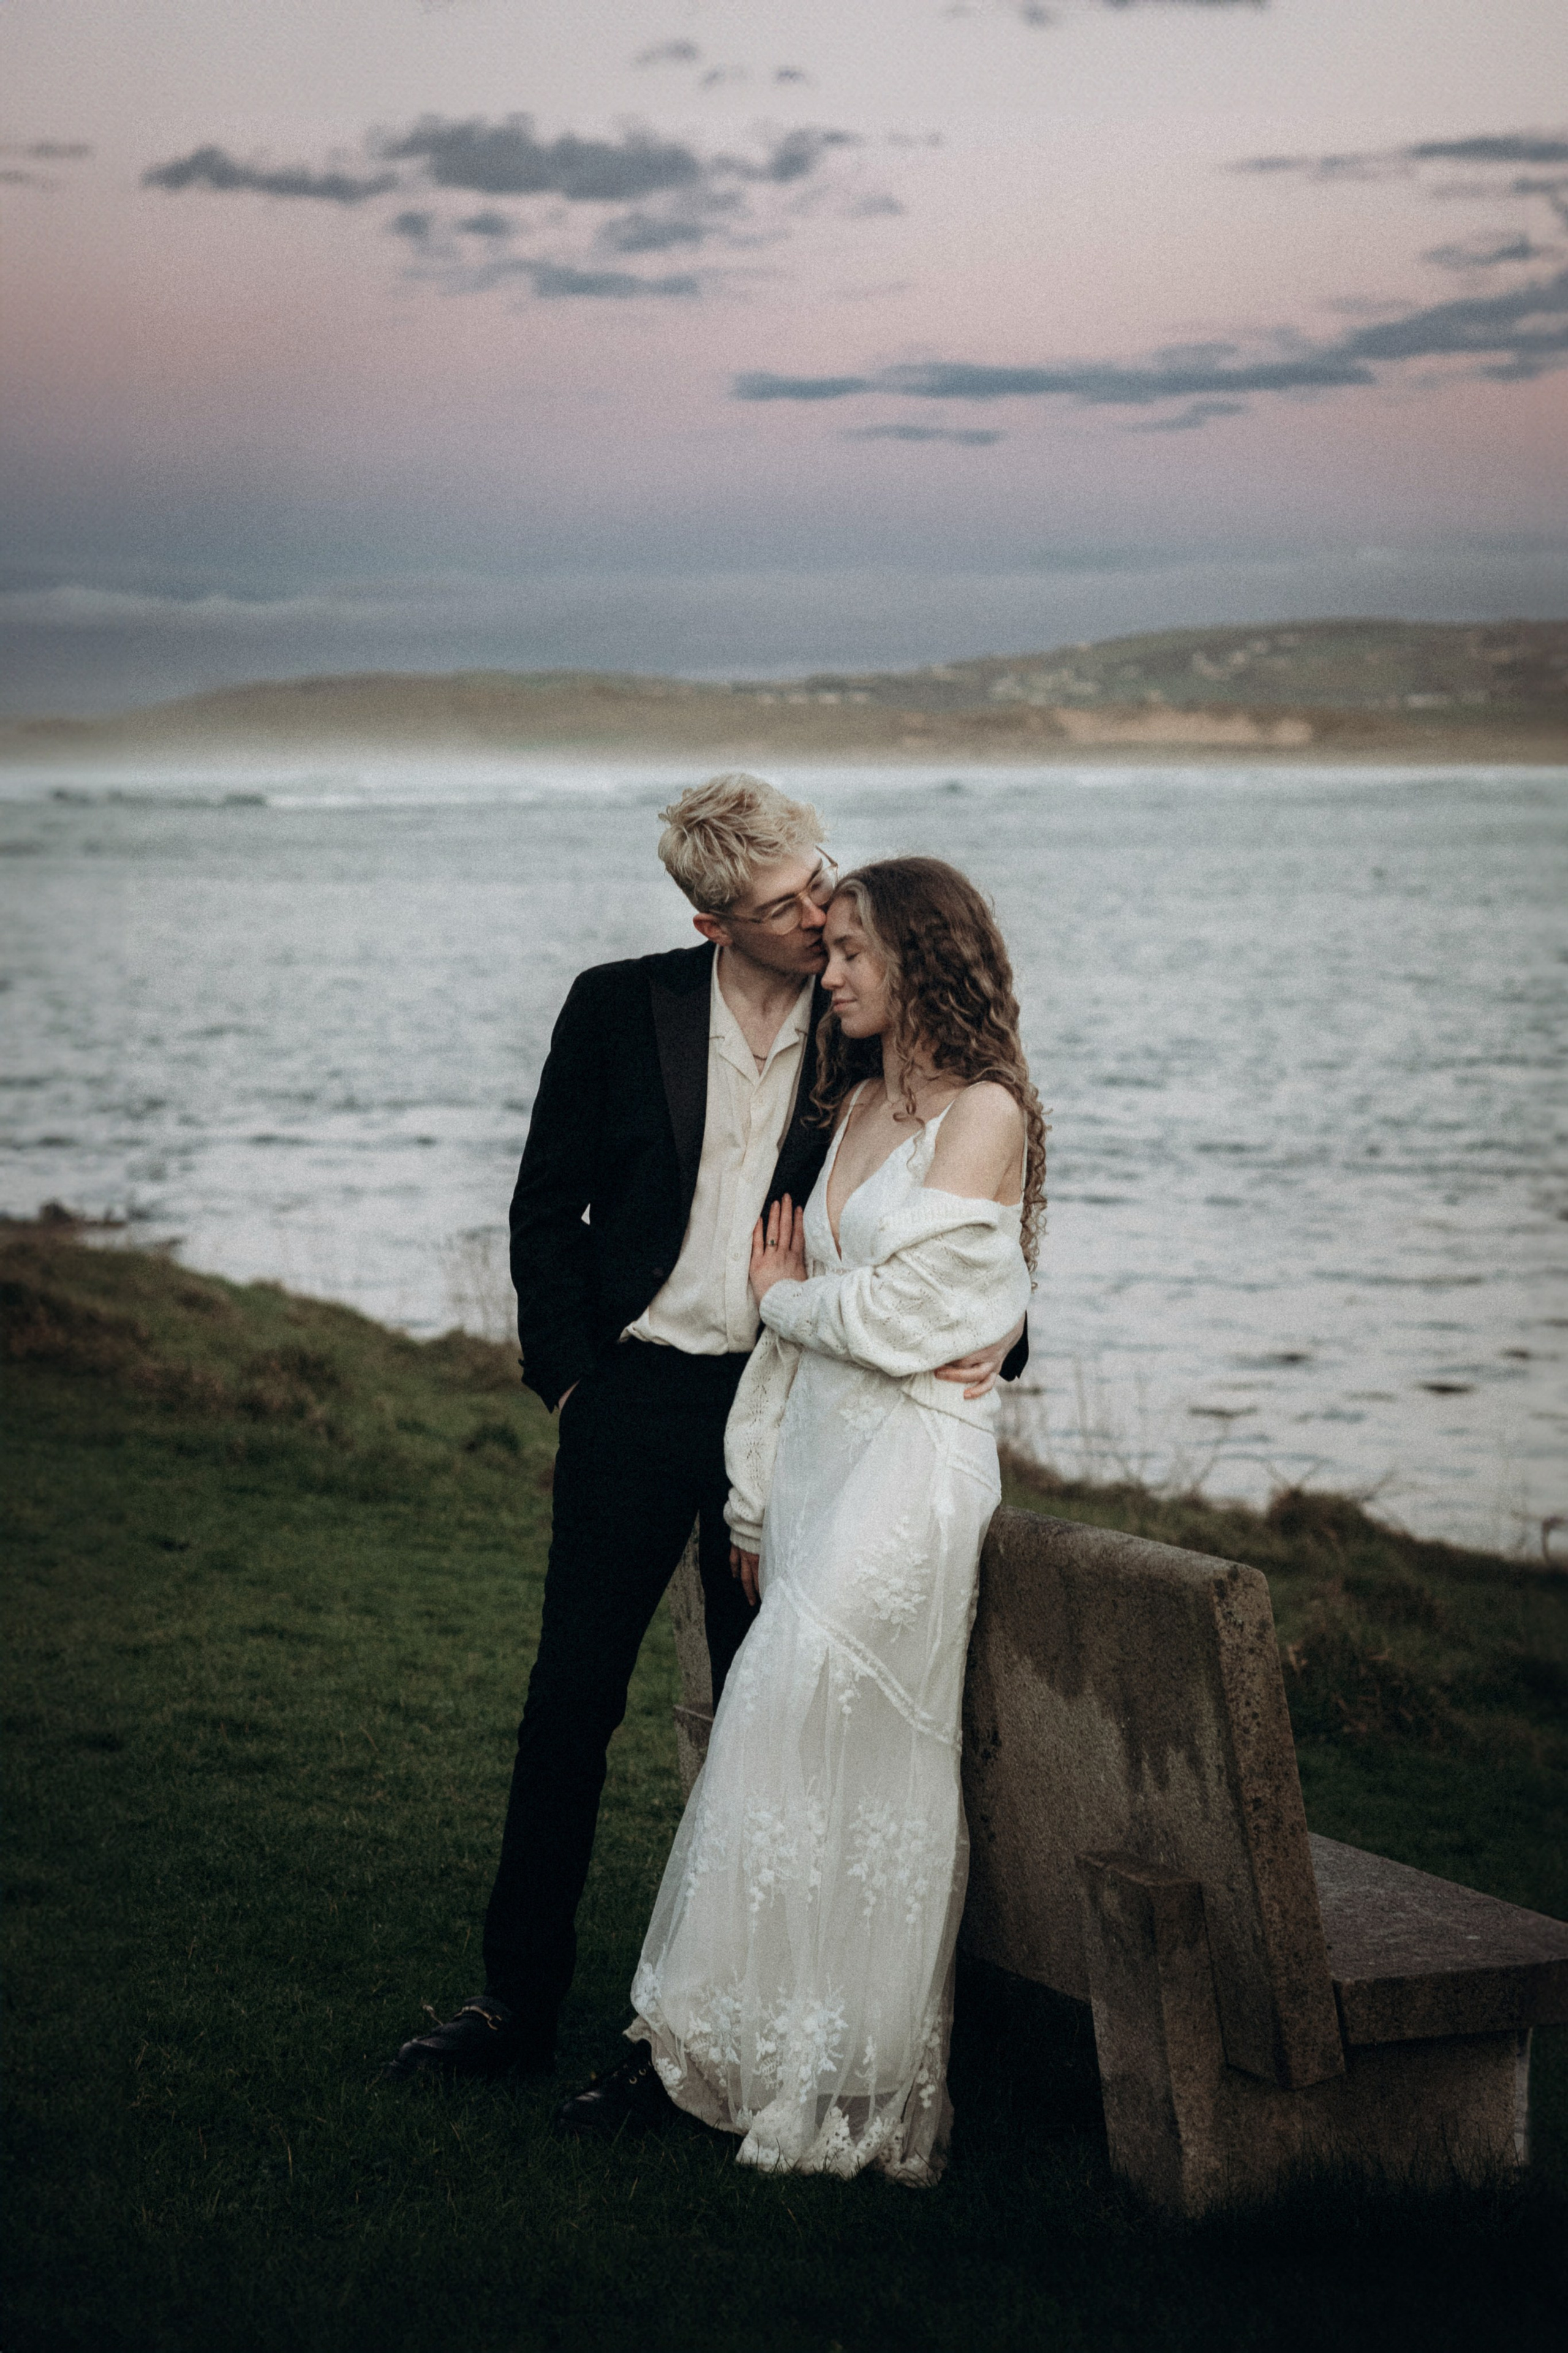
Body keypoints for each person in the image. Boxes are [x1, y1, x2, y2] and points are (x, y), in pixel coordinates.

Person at [383, 788, 1027, 2083]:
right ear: (709, 919)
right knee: (569, 1703)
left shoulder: (864, 1020)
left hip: (792, 1408)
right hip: (632, 1401)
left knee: (764, 1717)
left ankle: (710, 2032)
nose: (818, 912)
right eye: (789, 903)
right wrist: (569, 1382)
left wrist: (1003, 1337)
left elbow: (958, 1179)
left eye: (821, 884)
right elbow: (541, 1203)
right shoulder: (617, 1007)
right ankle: (514, 2006)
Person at [554, 856, 1046, 2184]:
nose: (827, 974)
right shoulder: (862, 1105)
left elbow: (903, 1322)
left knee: (798, 1726)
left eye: (850, 955)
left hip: (911, 1478)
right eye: (824, 953)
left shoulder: (983, 1112)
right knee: (780, 1757)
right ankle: (722, 2054)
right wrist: (759, 1496)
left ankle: (839, 2073)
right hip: (823, 1467)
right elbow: (818, 1339)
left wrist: (784, 1303)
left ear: (919, 960)